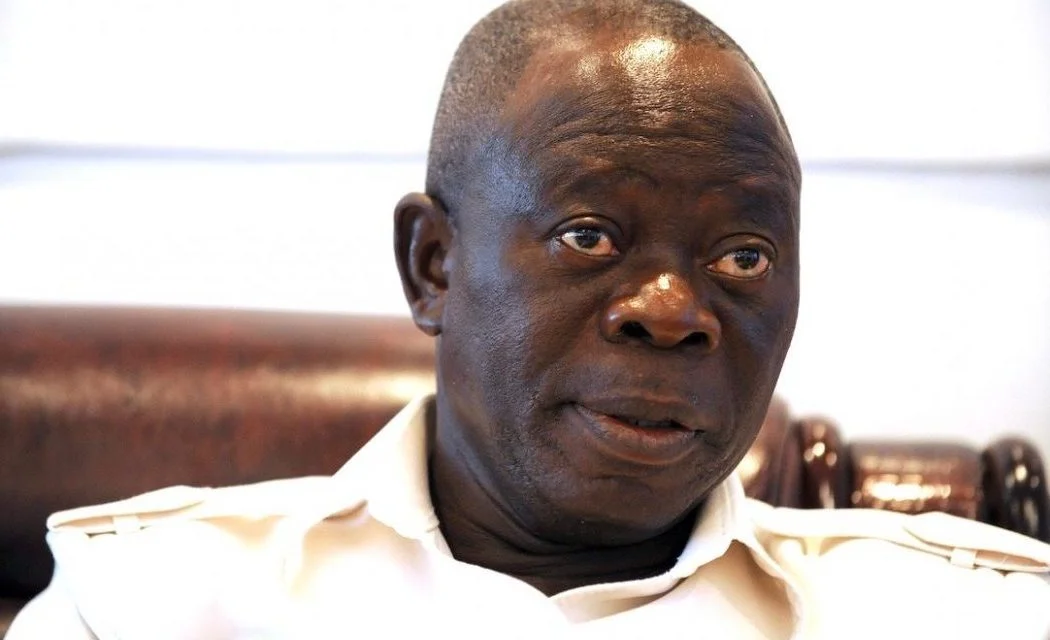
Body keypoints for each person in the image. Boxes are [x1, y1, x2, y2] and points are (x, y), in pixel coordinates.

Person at [8, 0, 1050, 638]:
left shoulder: (965, 616)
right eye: (588, 236)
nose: (672, 311)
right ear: (433, 265)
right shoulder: (145, 605)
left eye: (743, 257)